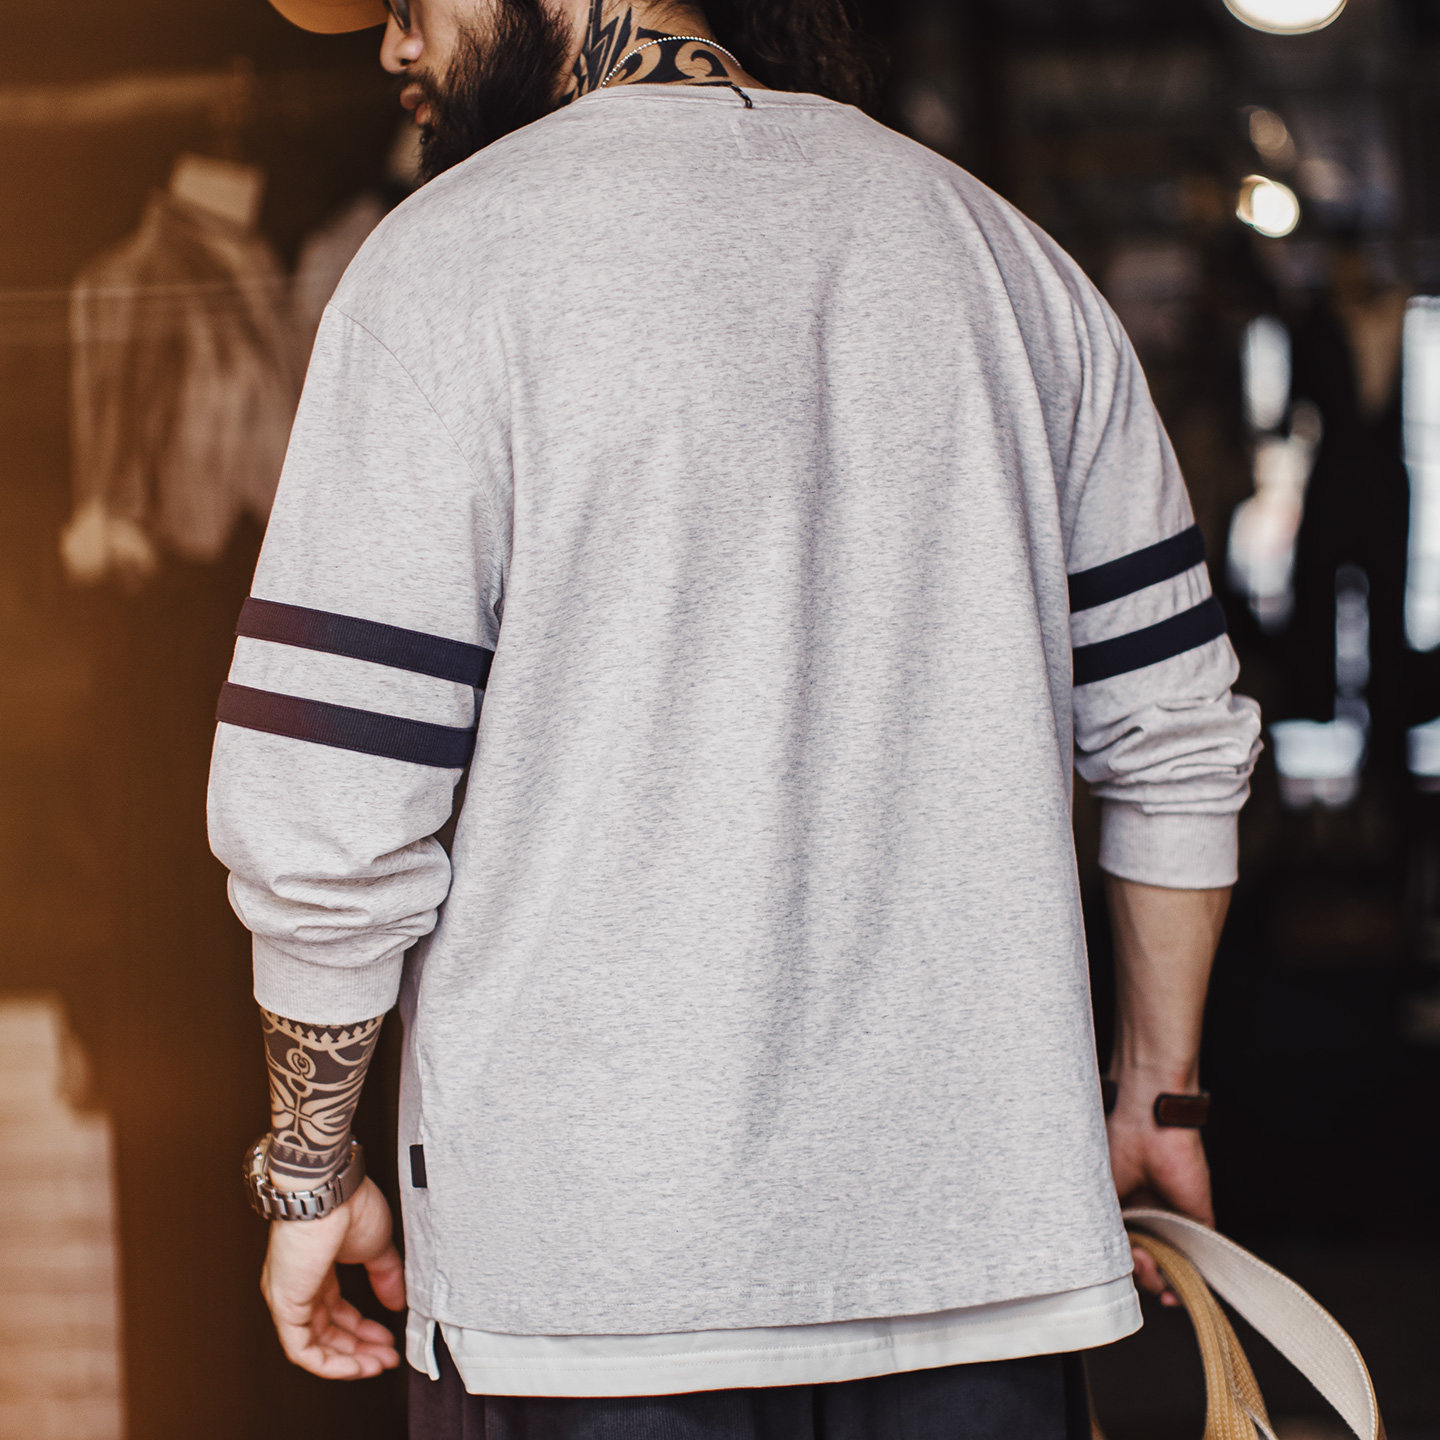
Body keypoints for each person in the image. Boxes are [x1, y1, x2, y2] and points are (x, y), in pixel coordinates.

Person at [206, 1, 1263, 1435]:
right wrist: (1159, 1095)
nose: (395, 46)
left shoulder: (445, 266)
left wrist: (310, 1174)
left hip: (593, 1305)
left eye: (407, 1)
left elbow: (328, 812)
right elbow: (1177, 732)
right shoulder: (1004, 258)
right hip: (986, 1268)